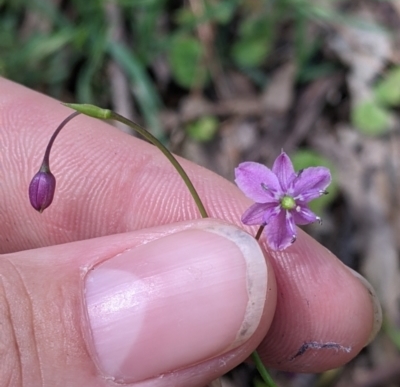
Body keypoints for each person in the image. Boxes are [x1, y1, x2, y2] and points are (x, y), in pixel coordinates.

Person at [0, 78, 381, 387]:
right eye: (285, 201)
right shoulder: (266, 198)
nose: (289, 205)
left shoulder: (278, 219)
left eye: (291, 204)